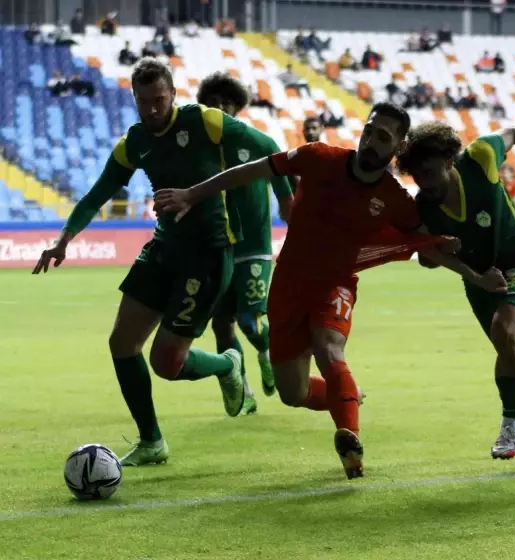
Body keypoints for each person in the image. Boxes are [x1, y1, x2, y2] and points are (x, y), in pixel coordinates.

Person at [154, 103, 459, 479]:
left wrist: (456, 262)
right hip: (289, 286)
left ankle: (350, 442)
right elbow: (254, 170)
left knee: (329, 349)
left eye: (383, 137)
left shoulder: (395, 198)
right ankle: (347, 395)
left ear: (397, 147)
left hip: (337, 283)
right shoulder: (319, 157)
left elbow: (421, 242)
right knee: (292, 394)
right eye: (369, 130)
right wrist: (193, 194)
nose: (371, 141)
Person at [32, 58, 276, 467]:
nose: (151, 110)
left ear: (174, 95)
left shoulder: (205, 122)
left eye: (158, 100)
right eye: (142, 101)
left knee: (167, 362)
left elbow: (268, 149)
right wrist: (64, 239)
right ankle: (152, 441)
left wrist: (200, 193)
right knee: (122, 344)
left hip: (210, 255)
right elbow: (96, 195)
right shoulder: (135, 141)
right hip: (164, 249)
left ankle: (227, 363)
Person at [395, 122, 515, 460]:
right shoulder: (423, 206)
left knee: (505, 329)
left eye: (429, 172)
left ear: (448, 160)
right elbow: (428, 258)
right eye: (417, 177)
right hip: (480, 281)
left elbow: (514, 133)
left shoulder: (480, 157)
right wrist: (465, 268)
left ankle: (511, 424)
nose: (425, 183)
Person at [197, 73, 295, 415]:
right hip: (215, 247)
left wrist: (295, 222)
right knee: (221, 326)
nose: (221, 108)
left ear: (238, 108)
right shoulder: (198, 148)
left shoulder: (260, 142)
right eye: (214, 102)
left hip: (254, 244)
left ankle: (266, 355)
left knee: (250, 320)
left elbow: (287, 197)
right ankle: (244, 390)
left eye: (228, 103)